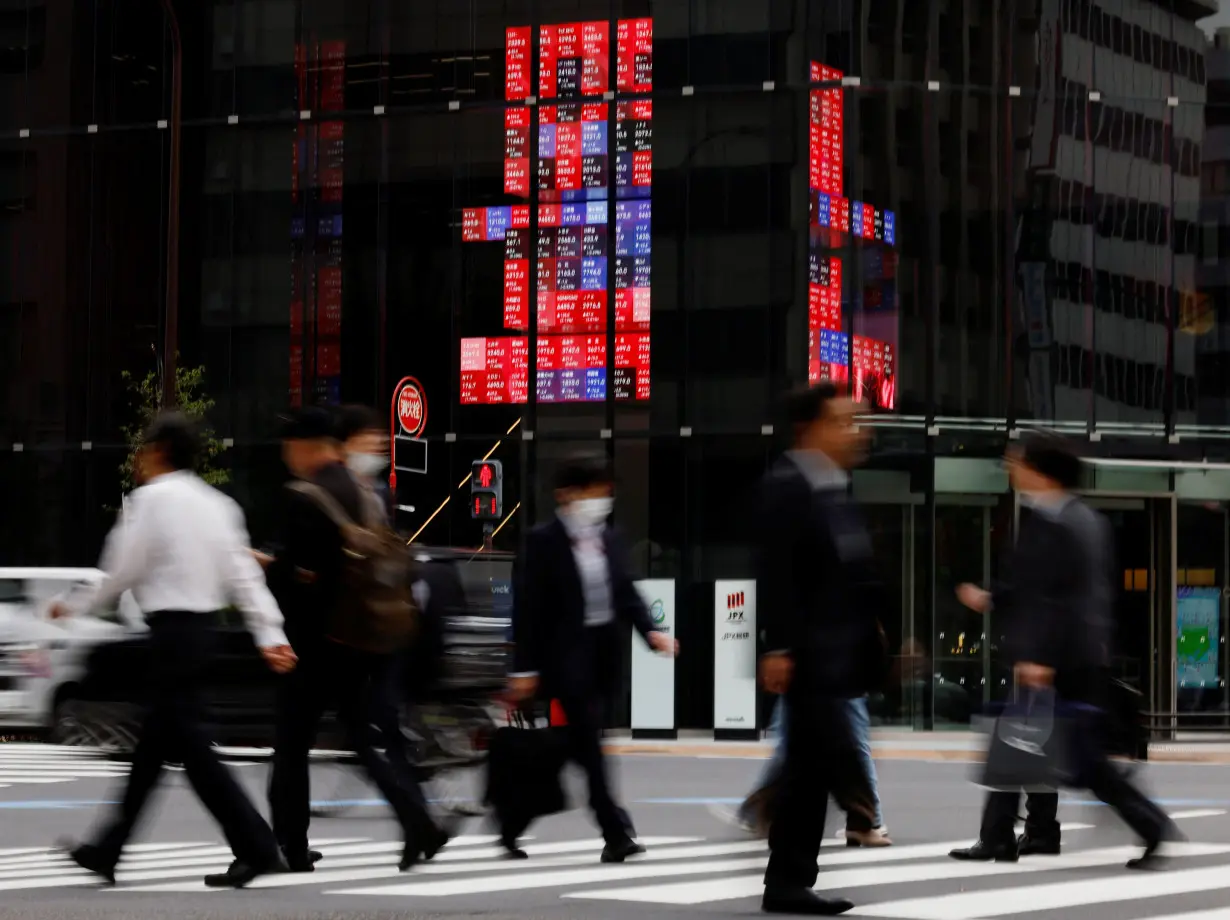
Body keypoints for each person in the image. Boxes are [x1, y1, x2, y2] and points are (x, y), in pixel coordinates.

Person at [53, 411, 295, 889]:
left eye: (143, 450)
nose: (139, 461)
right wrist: (272, 635)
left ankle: (258, 846)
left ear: (158, 451)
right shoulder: (220, 506)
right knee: (153, 746)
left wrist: (74, 603)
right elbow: (244, 578)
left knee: (192, 750)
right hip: (204, 634)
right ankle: (109, 848)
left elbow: (121, 569)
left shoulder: (150, 501)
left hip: (169, 635)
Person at [948, 434, 1178, 868]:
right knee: (1017, 743)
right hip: (1062, 655)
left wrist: (1043, 658)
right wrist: (992, 599)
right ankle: (1004, 836)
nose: (1009, 466)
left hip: (1062, 660)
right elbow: (1036, 588)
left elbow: (1065, 599)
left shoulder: (1064, 524)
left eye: (1015, 460)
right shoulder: (1065, 517)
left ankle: (1149, 823)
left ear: (1040, 469)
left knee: (1083, 761)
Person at [263, 407, 449, 873]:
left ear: (304, 448)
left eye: (290, 450)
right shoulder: (365, 494)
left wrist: (269, 569)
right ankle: (417, 822)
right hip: (362, 638)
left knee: (291, 746)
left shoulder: (302, 495)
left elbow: (298, 576)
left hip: (311, 644)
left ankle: (291, 844)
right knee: (364, 742)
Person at [756, 384, 890, 916]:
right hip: (807, 654)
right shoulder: (788, 486)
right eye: (843, 420)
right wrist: (779, 646)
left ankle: (788, 878)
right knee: (818, 763)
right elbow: (777, 573)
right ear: (809, 428)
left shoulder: (834, 487)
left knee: (807, 768)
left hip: (838, 655)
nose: (856, 431)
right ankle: (790, 874)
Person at [507, 454, 678, 863]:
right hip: (564, 658)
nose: (603, 498)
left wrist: (651, 632)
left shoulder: (610, 538)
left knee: (576, 745)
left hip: (603, 653)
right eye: (595, 490)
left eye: (606, 491)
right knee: (589, 741)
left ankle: (512, 819)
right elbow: (528, 608)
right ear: (567, 494)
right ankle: (615, 832)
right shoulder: (543, 541)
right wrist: (524, 669)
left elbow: (625, 591)